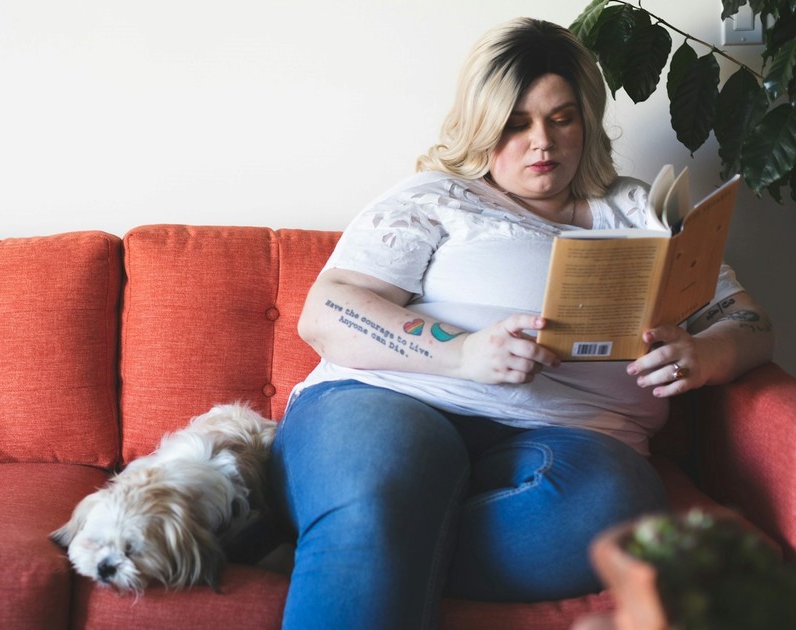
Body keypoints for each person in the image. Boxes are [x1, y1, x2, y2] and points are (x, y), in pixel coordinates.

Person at [267, 17, 775, 630]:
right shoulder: (436, 197)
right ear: (482, 125)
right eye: (516, 123)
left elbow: (747, 321)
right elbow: (326, 312)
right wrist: (462, 353)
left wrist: (705, 354)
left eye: (562, 118)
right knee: (382, 485)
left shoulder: (642, 212)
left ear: (587, 121)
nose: (543, 143)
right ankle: (356, 528)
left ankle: (339, 543)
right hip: (392, 400)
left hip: (575, 440)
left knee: (611, 505)